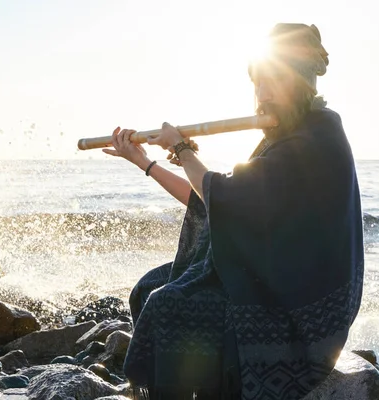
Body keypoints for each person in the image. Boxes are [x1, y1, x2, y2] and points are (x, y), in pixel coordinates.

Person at [104, 23, 364, 400]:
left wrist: (183, 151)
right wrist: (144, 162)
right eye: (258, 83)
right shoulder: (286, 136)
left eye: (273, 82)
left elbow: (221, 194)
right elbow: (216, 202)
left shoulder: (315, 137)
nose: (263, 94)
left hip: (297, 306)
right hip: (262, 272)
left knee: (166, 305)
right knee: (147, 289)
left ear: (302, 81)